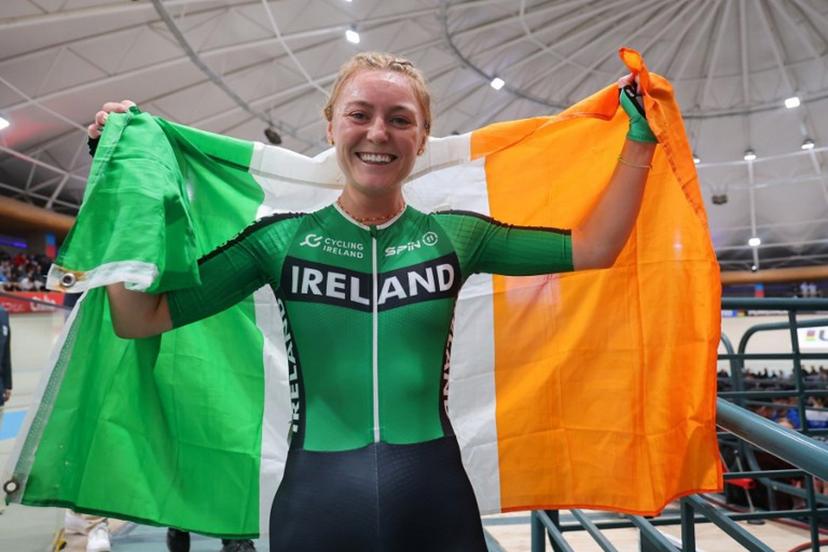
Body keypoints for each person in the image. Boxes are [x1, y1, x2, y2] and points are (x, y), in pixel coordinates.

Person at [89, 52, 656, 550]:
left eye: (399, 119)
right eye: (360, 114)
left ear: (423, 136)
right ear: (331, 124)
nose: (378, 133)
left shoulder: (457, 237)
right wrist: (122, 184)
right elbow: (140, 317)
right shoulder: (280, 241)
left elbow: (595, 246)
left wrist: (639, 140)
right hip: (316, 506)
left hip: (437, 504)